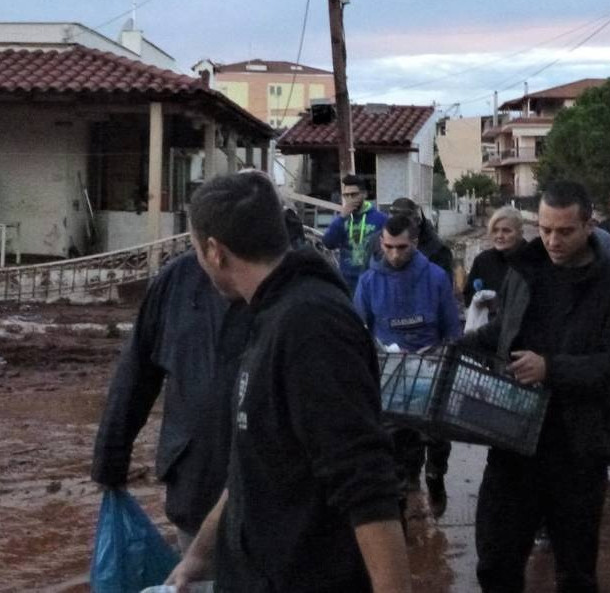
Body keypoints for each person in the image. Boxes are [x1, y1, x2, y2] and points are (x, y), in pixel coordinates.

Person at [167, 172, 411, 593]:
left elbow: (366, 483)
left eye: (196, 250)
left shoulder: (310, 325)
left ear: (215, 252)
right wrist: (201, 554)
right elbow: (254, 460)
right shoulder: (268, 313)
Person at [461, 181, 610, 593]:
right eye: (545, 230)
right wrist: (457, 346)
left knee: (575, 572)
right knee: (495, 562)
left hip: (578, 448)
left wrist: (551, 368)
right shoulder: (525, 269)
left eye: (565, 231)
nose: (552, 241)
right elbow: (503, 329)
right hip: (512, 439)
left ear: (589, 226)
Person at [91, 251, 252, 552]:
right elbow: (137, 373)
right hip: (196, 482)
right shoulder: (178, 279)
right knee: (197, 568)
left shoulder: (299, 285)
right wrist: (110, 462)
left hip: (278, 504)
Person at [354, 214, 461, 519]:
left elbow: (451, 328)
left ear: (414, 242)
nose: (394, 254)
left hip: (431, 370)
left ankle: (435, 476)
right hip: (391, 374)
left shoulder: (436, 277)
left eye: (401, 247)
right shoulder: (369, 282)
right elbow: (358, 329)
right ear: (381, 243)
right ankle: (400, 502)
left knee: (437, 438)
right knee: (396, 445)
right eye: (388, 247)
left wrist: (445, 353)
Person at [322, 174, 388, 292]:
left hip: (371, 280)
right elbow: (328, 243)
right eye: (346, 195)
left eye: (354, 195)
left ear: (364, 194)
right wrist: (342, 217)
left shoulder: (380, 219)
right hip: (347, 281)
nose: (350, 199)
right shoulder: (341, 219)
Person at [463, 206, 526, 310]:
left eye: (506, 231)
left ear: (520, 233)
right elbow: (468, 297)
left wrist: (499, 303)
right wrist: (480, 300)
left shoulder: (534, 260)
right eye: (495, 230)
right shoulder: (483, 261)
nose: (499, 236)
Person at [387, 197, 454, 280]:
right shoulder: (380, 241)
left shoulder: (438, 250)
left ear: (417, 222)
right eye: (393, 225)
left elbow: (443, 283)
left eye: (403, 225)